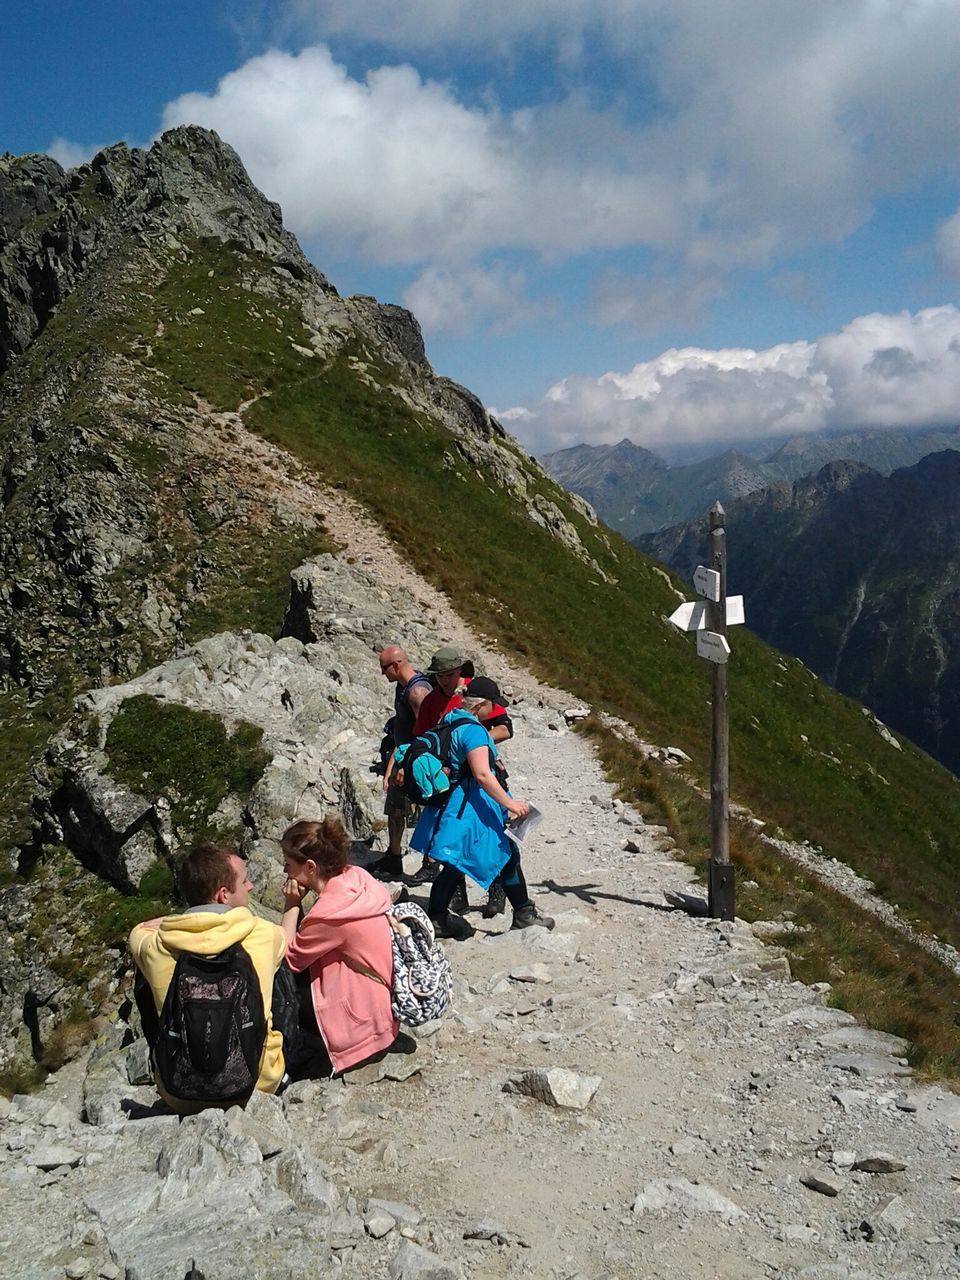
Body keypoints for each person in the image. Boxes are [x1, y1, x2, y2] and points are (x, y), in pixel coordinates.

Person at [129, 845, 287, 1112]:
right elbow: (287, 941)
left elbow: (139, 930)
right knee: (279, 978)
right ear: (223, 895)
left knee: (144, 979)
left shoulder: (152, 942)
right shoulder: (266, 934)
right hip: (255, 1085)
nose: (249, 887)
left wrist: (172, 920)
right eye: (244, 881)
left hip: (178, 1093)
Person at [409, 676, 555, 941]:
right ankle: (523, 913)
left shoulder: (450, 721)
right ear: (482, 705)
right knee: (505, 852)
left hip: (451, 808)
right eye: (493, 705)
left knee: (454, 863)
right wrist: (510, 804)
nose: (496, 710)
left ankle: (438, 916)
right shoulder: (474, 731)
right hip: (470, 810)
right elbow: (482, 775)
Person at [280, 817, 407, 1076]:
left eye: (289, 864)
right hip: (378, 1009)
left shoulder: (330, 914)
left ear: (311, 867)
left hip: (358, 1025)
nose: (286, 871)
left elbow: (288, 959)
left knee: (278, 983)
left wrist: (292, 904)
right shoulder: (357, 878)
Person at [408, 646, 512, 920]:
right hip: (467, 794)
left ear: (459, 672)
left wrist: (478, 741)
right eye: (439, 675)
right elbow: (480, 773)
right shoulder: (436, 704)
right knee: (498, 847)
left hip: (456, 791)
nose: (443, 679)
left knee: (455, 852)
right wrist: (475, 743)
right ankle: (457, 905)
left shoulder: (471, 696)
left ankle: (451, 908)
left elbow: (505, 727)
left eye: (448, 674)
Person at [371, 645, 432, 880]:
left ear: (396, 665)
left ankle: (430, 863)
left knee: (425, 809)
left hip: (415, 759)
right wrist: (390, 768)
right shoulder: (402, 688)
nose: (382, 673)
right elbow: (403, 730)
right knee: (395, 809)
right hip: (402, 755)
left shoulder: (418, 692)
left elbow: (425, 733)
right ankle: (393, 857)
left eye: (384, 668)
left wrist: (407, 767)